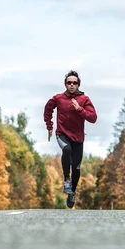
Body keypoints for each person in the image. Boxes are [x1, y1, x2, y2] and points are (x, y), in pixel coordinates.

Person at [44, 70, 97, 208]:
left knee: (77, 167)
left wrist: (79, 109)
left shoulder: (85, 100)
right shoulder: (58, 98)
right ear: (65, 84)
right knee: (66, 150)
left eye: (74, 83)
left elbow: (93, 118)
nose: (72, 85)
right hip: (62, 133)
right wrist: (49, 125)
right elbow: (48, 108)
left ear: (78, 84)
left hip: (78, 137)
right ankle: (66, 179)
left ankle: (72, 191)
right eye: (69, 82)